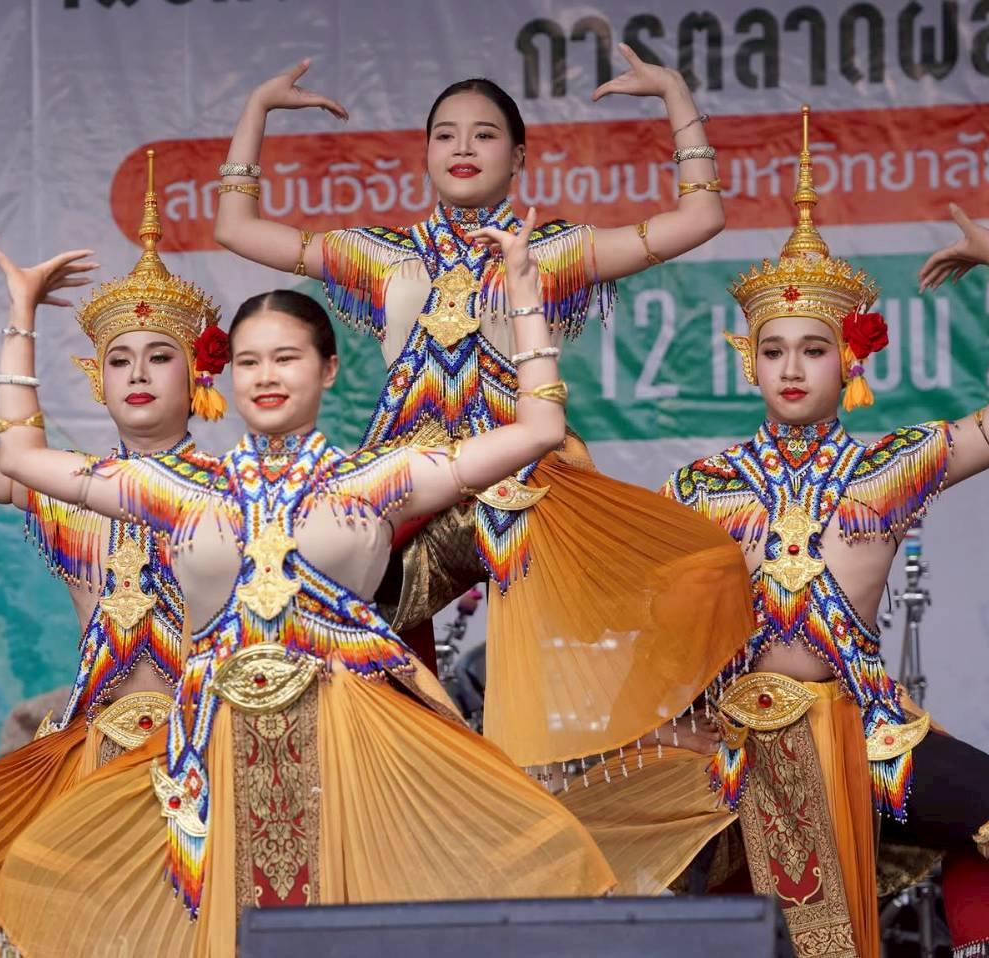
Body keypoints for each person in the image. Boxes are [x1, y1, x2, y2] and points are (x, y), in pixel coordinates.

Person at [0, 199, 613, 957]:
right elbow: (21, 457)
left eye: (286, 358)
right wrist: (20, 315)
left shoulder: (378, 479)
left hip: (353, 743)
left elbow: (539, 430)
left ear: (328, 369)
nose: (266, 376)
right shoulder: (178, 489)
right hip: (215, 748)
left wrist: (522, 291)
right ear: (227, 375)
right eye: (249, 361)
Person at [212, 53, 750, 775]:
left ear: (519, 156)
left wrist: (676, 97)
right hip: (408, 486)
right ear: (425, 153)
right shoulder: (382, 255)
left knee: (691, 574)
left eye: (485, 134)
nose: (463, 148)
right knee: (316, 610)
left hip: (525, 482)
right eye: (446, 135)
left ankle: (629, 746)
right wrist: (256, 108)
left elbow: (702, 217)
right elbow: (237, 228)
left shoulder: (552, 251)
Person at [662, 108, 989, 958]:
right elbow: (662, 629)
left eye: (813, 349)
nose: (791, 368)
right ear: (749, 361)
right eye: (773, 350)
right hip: (746, 741)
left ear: (849, 360)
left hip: (870, 734)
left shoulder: (891, 467)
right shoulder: (701, 486)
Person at [0, 166, 231, 956]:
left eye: (158, 356)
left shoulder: (236, 496)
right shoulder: (68, 492)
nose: (136, 374)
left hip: (203, 754)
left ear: (199, 372)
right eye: (118, 360)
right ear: (96, 379)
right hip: (91, 754)